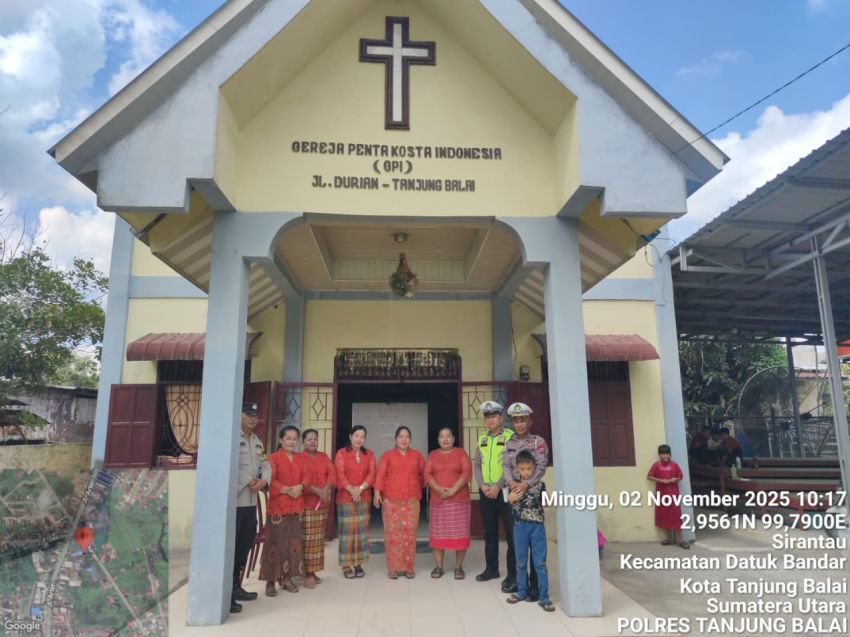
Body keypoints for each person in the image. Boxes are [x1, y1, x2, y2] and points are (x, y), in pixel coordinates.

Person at [502, 402, 548, 601]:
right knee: (518, 547)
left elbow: (541, 466)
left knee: (537, 555)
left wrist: (526, 484)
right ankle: (521, 587)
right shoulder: (509, 443)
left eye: (523, 420)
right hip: (515, 498)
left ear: (529, 421)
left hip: (531, 495)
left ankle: (537, 590)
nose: (519, 424)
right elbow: (505, 466)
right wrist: (511, 482)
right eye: (515, 420)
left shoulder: (538, 442)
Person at [472, 400, 516, 593]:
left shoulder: (510, 436)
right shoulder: (482, 439)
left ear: (500, 417)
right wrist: (482, 485)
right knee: (489, 532)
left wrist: (498, 486)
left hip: (504, 492)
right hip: (486, 492)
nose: (490, 420)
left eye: (494, 416)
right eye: (487, 417)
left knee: (511, 533)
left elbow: (513, 465)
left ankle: (513, 575)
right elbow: (476, 464)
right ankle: (491, 569)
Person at [260, 425, 310, 596]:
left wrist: (300, 486)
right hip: (278, 508)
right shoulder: (273, 458)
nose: (291, 442)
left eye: (294, 439)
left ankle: (287, 578)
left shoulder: (300, 458)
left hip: (296, 507)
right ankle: (270, 581)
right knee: (274, 544)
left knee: (292, 544)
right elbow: (268, 480)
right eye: (288, 438)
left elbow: (307, 476)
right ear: (281, 440)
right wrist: (287, 489)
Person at [232, 402, 270, 614]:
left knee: (245, 543)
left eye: (255, 415)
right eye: (249, 414)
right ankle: (226, 592)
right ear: (240, 415)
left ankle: (236, 587)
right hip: (236, 500)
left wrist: (264, 480)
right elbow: (229, 464)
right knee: (233, 544)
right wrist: (248, 480)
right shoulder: (231, 437)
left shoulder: (257, 441)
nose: (253, 418)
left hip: (251, 501)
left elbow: (265, 464)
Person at [505, 451, 554, 612]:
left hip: (537, 527)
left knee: (540, 563)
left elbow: (546, 502)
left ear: (534, 468)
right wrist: (510, 499)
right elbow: (509, 502)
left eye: (529, 468)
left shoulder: (540, 485)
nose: (526, 472)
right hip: (520, 526)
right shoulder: (512, 485)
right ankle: (521, 592)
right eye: (523, 469)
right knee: (520, 562)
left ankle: (544, 597)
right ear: (517, 469)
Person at [374, 426, 425, 579]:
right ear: (395, 439)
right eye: (401, 436)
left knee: (410, 534)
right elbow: (380, 476)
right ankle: (393, 568)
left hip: (411, 501)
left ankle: (409, 567)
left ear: (410, 439)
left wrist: (414, 487)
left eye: (407, 436)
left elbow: (423, 476)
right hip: (390, 501)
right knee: (392, 534)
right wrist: (377, 494)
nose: (404, 439)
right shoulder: (387, 456)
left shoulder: (417, 456)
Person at [424, 427, 472, 580]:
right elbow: (427, 473)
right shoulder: (432, 455)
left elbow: (466, 472)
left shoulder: (461, 453)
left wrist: (453, 490)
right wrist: (438, 489)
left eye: (448, 436)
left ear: (453, 438)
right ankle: (439, 566)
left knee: (460, 533)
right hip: (438, 500)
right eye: (442, 436)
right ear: (438, 439)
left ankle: (459, 567)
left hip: (459, 500)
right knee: (438, 533)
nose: (445, 439)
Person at [334, 425, 376, 578]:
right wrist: (352, 490)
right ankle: (346, 565)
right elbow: (339, 473)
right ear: (351, 436)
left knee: (361, 532)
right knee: (347, 532)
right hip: (346, 497)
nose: (359, 439)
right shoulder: (341, 453)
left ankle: (358, 563)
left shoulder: (369, 454)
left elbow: (372, 473)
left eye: (362, 436)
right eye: (356, 435)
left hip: (363, 497)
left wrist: (360, 489)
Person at [300, 428, 336, 589]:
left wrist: (326, 488)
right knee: (307, 539)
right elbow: (302, 480)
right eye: (309, 439)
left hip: (322, 503)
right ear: (303, 442)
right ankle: (306, 573)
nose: (313, 442)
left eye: (315, 439)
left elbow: (332, 473)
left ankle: (313, 571)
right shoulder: (299, 458)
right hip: (307, 504)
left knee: (317, 540)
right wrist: (319, 491)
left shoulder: (323, 456)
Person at [647, 444, 688, 549]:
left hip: (673, 493)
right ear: (659, 455)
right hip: (662, 494)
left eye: (667, 454)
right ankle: (669, 538)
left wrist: (673, 480)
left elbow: (680, 476)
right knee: (665, 515)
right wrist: (661, 480)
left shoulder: (674, 465)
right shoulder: (656, 465)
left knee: (676, 515)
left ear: (670, 454)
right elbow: (649, 476)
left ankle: (680, 540)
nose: (665, 456)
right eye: (662, 454)